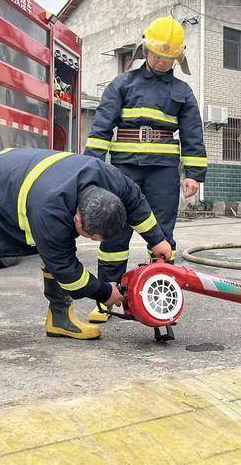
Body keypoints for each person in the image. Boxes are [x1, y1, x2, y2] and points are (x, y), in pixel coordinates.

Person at [0, 148, 172, 374]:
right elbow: (67, 271)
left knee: (57, 248)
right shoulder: (51, 211)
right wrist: (104, 292)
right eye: (91, 236)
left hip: (25, 179)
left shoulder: (111, 179)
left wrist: (157, 239)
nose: (93, 242)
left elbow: (137, 201)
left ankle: (60, 320)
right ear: (78, 218)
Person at [83, 16, 207, 323]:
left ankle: (163, 299)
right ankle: (107, 298)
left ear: (178, 57)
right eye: (156, 55)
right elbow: (101, 128)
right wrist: (90, 169)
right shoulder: (122, 84)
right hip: (122, 171)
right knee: (113, 231)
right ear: (144, 49)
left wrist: (194, 173)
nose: (162, 62)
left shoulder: (183, 92)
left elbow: (193, 133)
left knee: (162, 234)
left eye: (168, 58)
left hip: (163, 172)